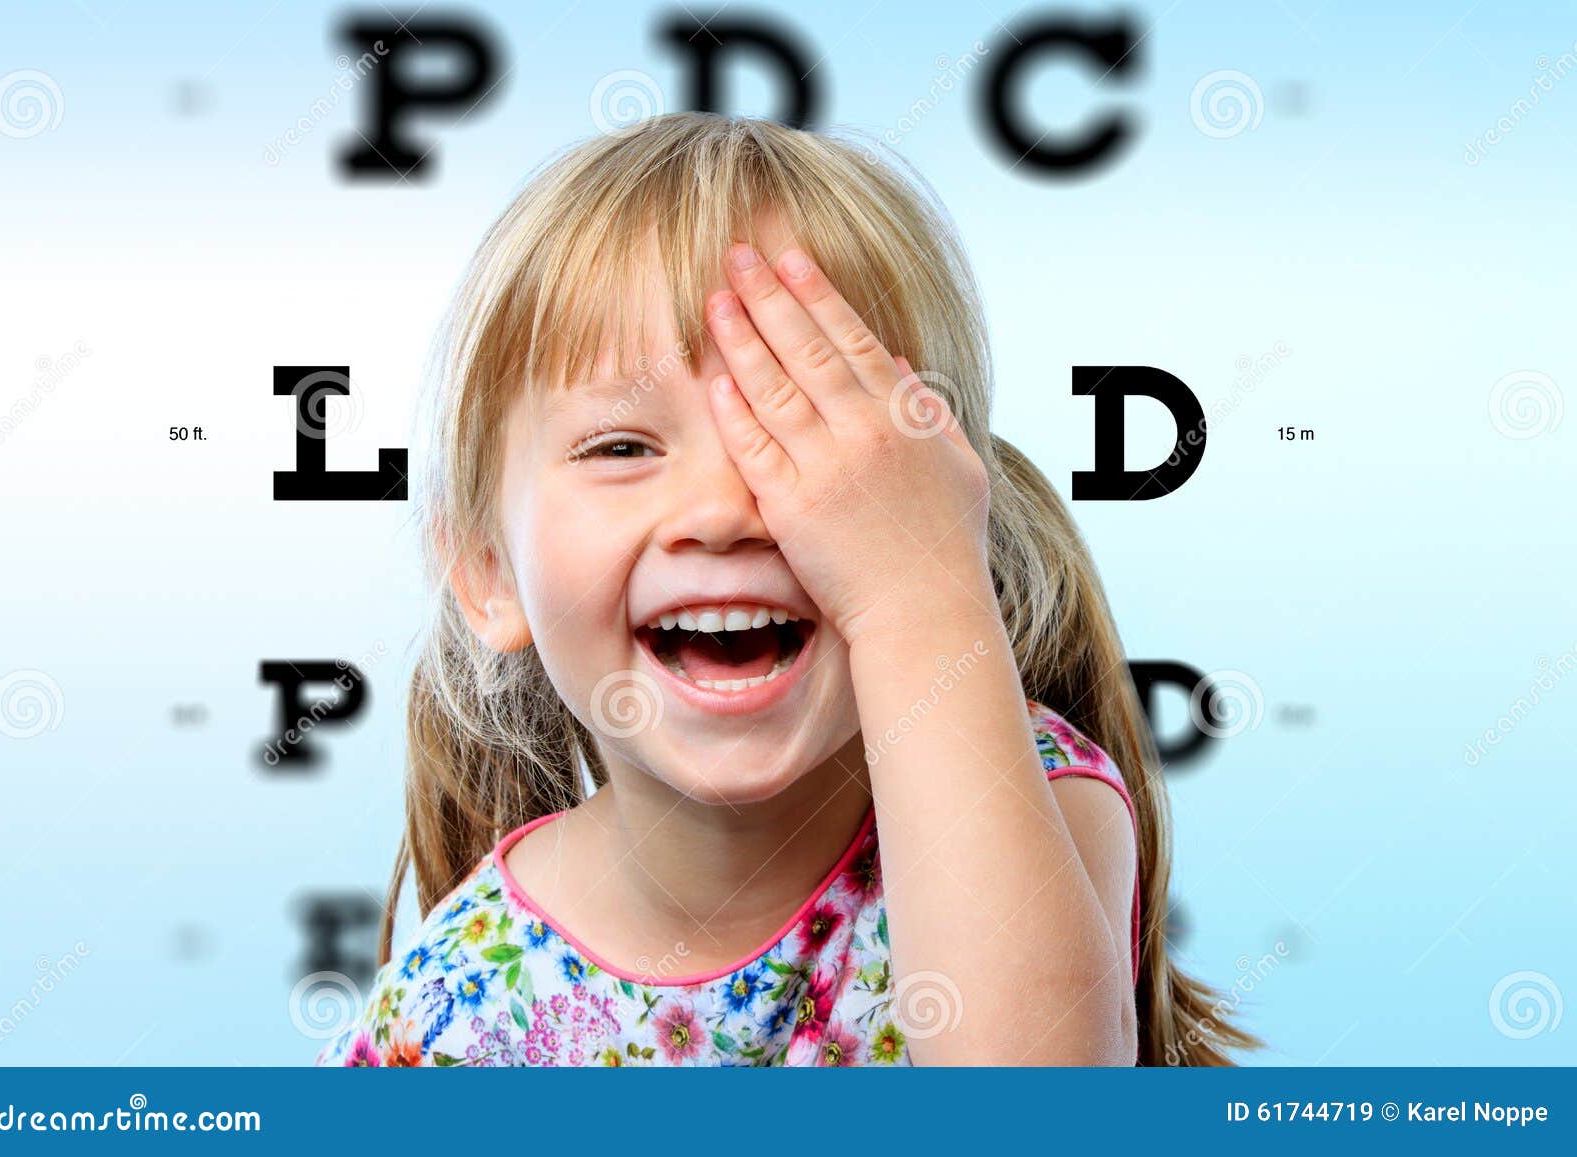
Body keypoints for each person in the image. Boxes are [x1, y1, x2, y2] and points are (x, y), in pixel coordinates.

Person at [316, 112, 1258, 1067]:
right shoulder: (457, 1004)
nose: (725, 509)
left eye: (807, 432)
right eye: (621, 447)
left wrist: (918, 595)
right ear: (486, 572)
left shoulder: (1035, 805)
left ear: (945, 511)